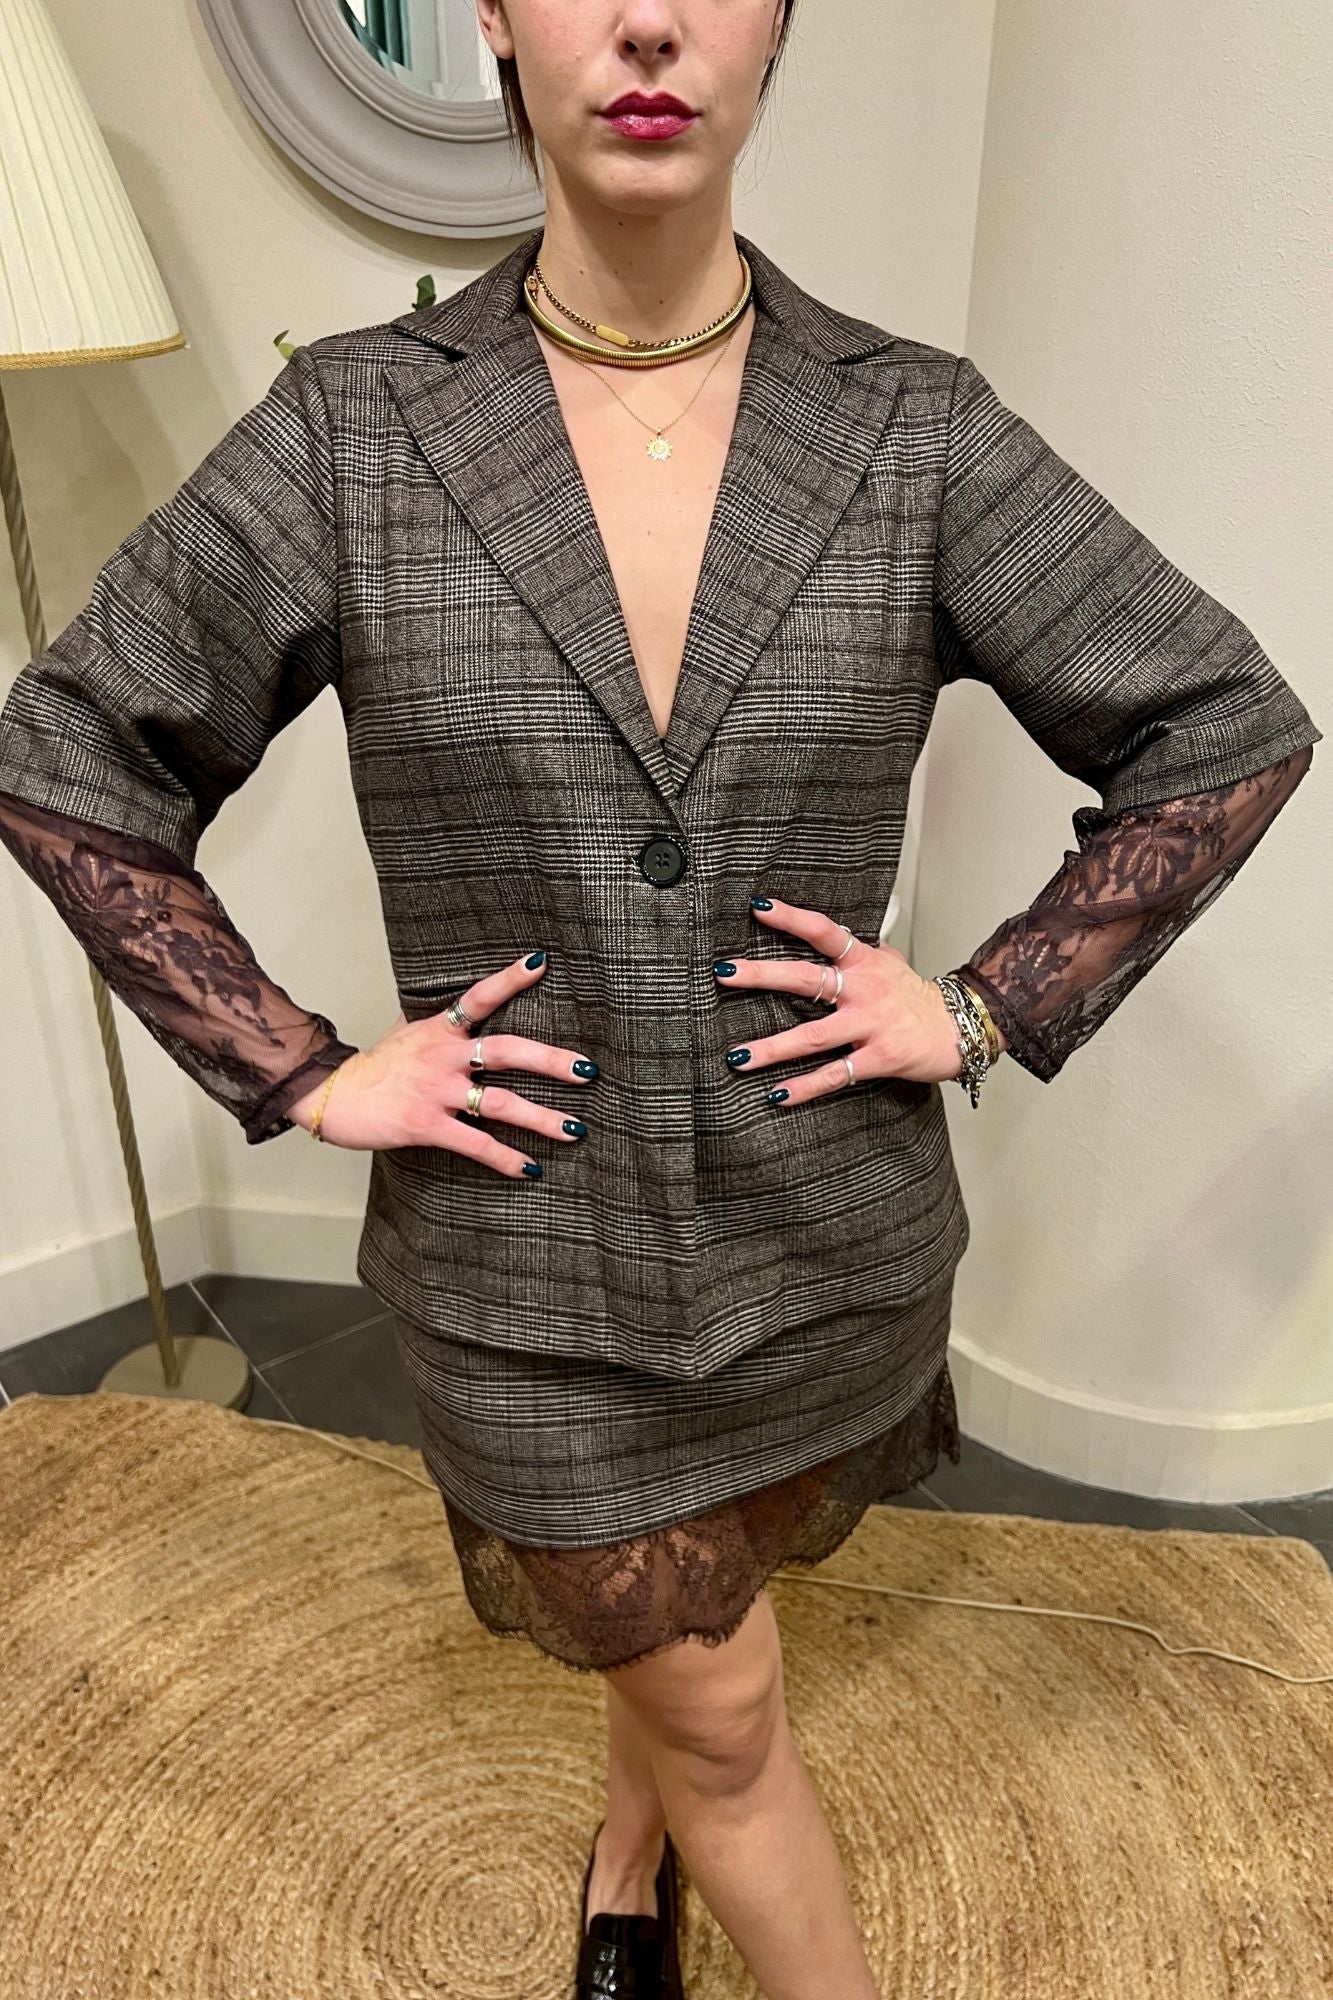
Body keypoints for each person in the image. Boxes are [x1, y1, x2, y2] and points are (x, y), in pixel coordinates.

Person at [0, 3, 1320, 1997]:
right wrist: (301, 1068)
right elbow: (73, 756)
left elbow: (1218, 726)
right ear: (496, 16)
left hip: (827, 1245)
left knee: (687, 1644)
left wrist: (984, 1003)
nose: (643, 19)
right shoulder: (356, 429)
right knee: (724, 1711)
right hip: (522, 1265)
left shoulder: (911, 428)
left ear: (775, 24)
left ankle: (626, 1867)